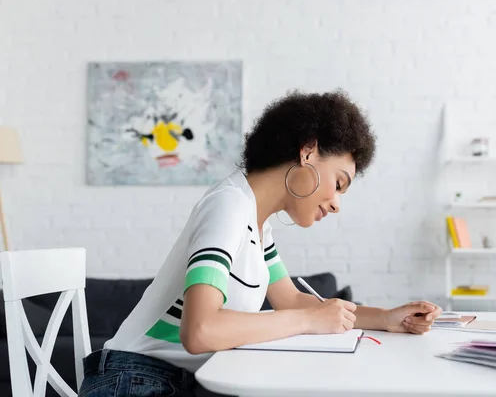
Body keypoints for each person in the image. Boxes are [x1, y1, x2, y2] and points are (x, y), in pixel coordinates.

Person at [78, 90, 442, 397]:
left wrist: (385, 318)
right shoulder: (229, 206)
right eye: (339, 183)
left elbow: (294, 300)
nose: (336, 203)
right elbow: (199, 331)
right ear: (308, 152)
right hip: (132, 380)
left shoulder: (256, 223)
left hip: (174, 381)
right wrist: (306, 320)